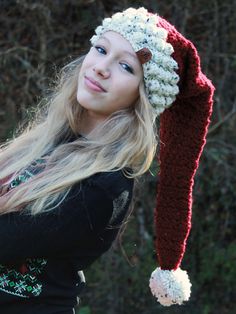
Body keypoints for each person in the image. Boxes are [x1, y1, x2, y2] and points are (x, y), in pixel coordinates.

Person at [0, 6, 215, 313]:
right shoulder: (45, 141)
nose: (101, 67)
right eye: (101, 49)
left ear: (142, 97)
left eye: (126, 67)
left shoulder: (105, 186)